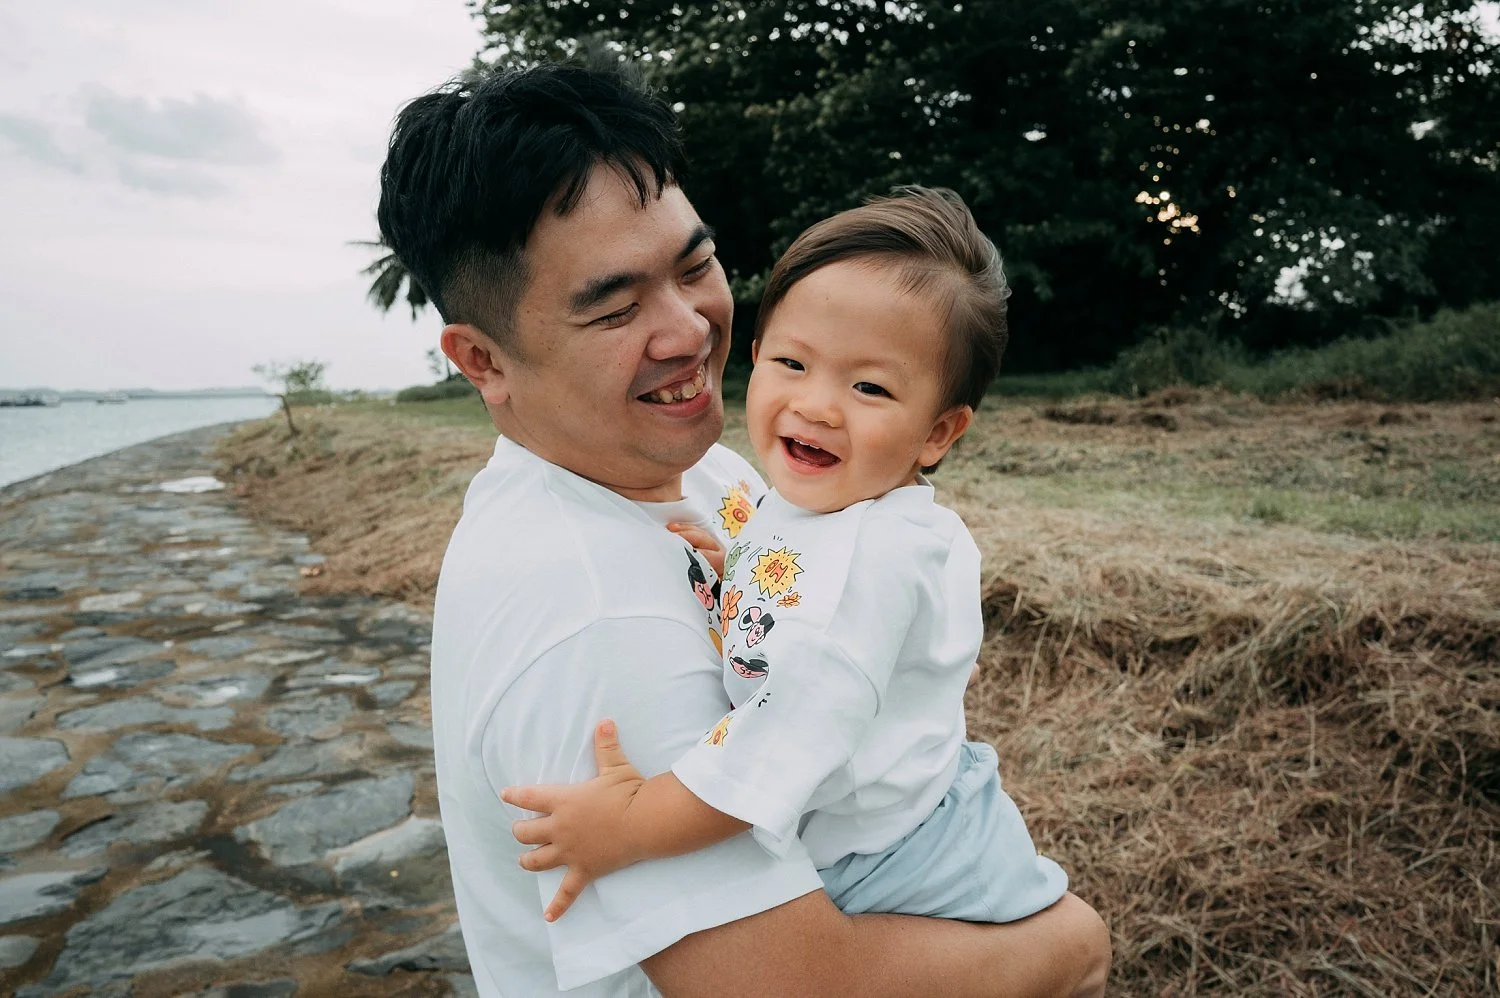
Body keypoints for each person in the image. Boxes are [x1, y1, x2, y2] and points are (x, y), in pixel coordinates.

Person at [379, 60, 1111, 997]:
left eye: (695, 267)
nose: (689, 330)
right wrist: (1076, 947)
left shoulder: (709, 470)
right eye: (615, 307)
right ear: (483, 360)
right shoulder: (591, 619)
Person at [504, 186, 1071, 930]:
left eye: (869, 386)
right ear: (755, 357)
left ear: (938, 432)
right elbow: (802, 587)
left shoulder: (868, 567)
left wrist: (629, 824)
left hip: (897, 858)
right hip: (910, 804)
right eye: (793, 363)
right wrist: (740, 573)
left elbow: (775, 749)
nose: (816, 405)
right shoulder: (835, 505)